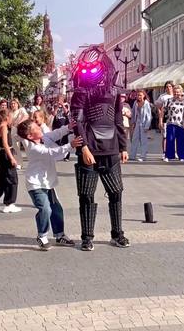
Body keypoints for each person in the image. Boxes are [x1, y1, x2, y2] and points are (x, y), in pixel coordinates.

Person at [70, 44, 130, 251]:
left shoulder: (114, 91)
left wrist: (123, 147)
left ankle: (117, 233)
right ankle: (87, 237)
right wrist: (84, 147)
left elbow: (118, 119)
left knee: (116, 192)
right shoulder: (80, 91)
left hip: (111, 148)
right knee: (86, 194)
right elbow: (77, 120)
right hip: (90, 148)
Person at [17, 119, 82, 250]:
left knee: (57, 209)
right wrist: (71, 145)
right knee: (46, 209)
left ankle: (59, 235)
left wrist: (68, 127)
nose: (40, 128)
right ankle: (42, 236)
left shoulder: (43, 138)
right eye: (37, 128)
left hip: (48, 182)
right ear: (30, 136)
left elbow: (56, 134)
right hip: (36, 184)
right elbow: (52, 152)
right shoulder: (34, 148)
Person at [0, 109, 21, 213]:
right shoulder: (4, 127)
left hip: (3, 154)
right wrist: (11, 157)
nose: (12, 119)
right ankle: (9, 203)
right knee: (12, 179)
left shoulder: (1, 126)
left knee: (3, 178)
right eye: (11, 117)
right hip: (6, 153)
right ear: (7, 117)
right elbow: (5, 144)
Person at [162, 85, 184, 162]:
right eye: (175, 92)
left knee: (181, 140)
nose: (176, 94)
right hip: (170, 122)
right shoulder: (168, 100)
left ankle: (182, 156)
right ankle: (169, 156)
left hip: (181, 123)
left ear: (181, 92)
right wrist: (160, 121)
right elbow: (163, 111)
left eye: (178, 92)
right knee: (170, 139)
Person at [129, 90, 152, 162]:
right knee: (134, 139)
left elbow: (149, 116)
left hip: (144, 123)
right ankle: (132, 155)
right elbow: (133, 113)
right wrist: (132, 123)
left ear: (144, 96)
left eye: (140, 95)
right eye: (138, 95)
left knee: (143, 140)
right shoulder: (135, 103)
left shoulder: (146, 103)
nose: (139, 96)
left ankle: (143, 156)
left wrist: (147, 126)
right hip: (137, 123)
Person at [155, 81, 174, 160]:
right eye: (166, 87)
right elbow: (158, 107)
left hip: (175, 119)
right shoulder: (162, 97)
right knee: (165, 136)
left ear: (172, 87)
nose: (168, 88)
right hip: (166, 118)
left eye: (170, 86)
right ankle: (165, 152)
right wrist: (160, 118)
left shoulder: (176, 95)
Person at [10, 98, 29, 169]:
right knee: (15, 148)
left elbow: (26, 116)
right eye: (11, 104)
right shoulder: (10, 112)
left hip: (22, 130)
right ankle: (19, 163)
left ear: (17, 104)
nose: (13, 105)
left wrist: (19, 123)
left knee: (27, 146)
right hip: (14, 131)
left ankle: (32, 162)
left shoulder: (21, 110)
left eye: (14, 103)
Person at [52, 95, 70, 161]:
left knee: (65, 140)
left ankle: (66, 156)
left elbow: (67, 112)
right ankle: (57, 155)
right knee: (56, 140)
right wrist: (57, 107)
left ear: (63, 99)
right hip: (56, 124)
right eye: (58, 99)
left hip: (64, 124)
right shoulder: (54, 105)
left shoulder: (66, 105)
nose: (59, 100)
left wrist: (62, 105)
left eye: (60, 99)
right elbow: (53, 114)